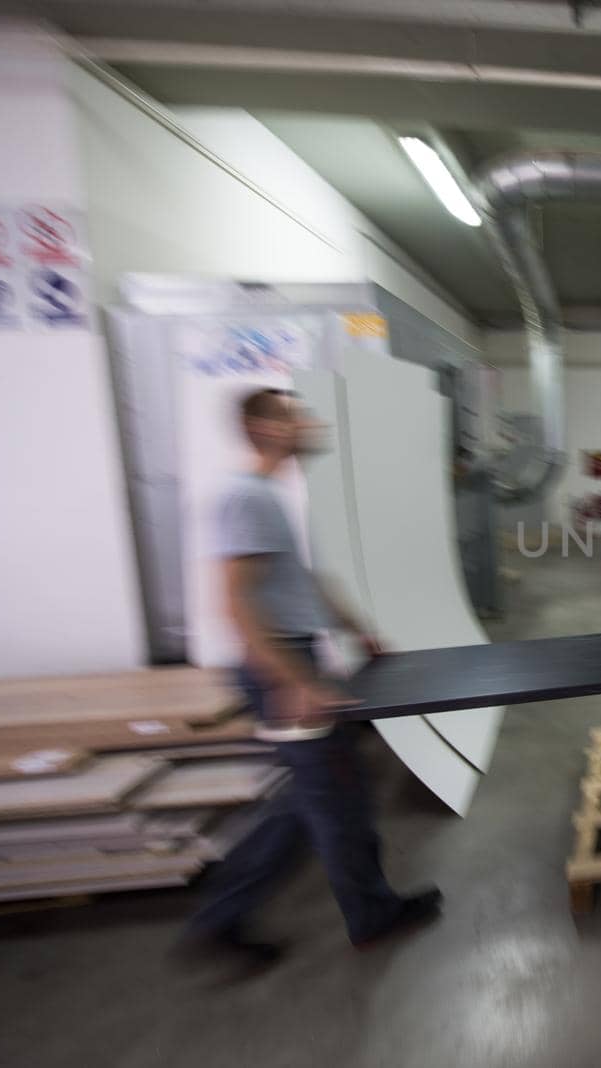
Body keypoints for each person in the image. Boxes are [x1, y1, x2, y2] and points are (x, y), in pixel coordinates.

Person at [179, 388, 442, 967]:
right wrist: (289, 680)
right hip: (281, 664)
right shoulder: (246, 497)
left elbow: (300, 584)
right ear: (267, 429)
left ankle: (223, 914)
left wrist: (358, 629)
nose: (310, 422)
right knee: (332, 800)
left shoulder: (271, 496)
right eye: (296, 413)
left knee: (315, 800)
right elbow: (237, 601)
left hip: (295, 656)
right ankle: (358, 915)